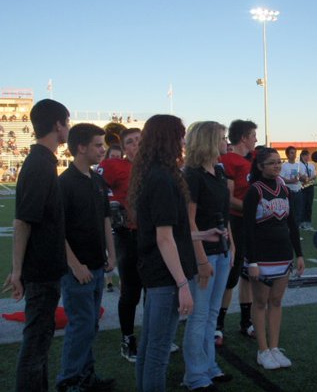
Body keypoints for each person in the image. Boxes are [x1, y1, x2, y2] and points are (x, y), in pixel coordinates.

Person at [2, 99, 70, 392]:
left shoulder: (44, 161)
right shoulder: (40, 164)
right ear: (57, 125)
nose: (68, 127)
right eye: (66, 122)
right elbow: (23, 222)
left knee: (40, 346)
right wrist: (17, 271)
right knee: (35, 346)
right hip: (40, 272)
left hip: (45, 269)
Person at [128, 115, 195, 392]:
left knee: (149, 348)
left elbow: (170, 232)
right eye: (180, 136)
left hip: (158, 271)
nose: (183, 142)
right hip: (165, 276)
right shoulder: (162, 178)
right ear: (169, 139)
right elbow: (164, 237)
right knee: (157, 352)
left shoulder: (153, 173)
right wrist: (182, 284)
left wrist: (202, 235)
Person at [56, 124, 116, 392]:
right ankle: (68, 381)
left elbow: (105, 219)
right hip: (77, 269)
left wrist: (111, 254)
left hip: (96, 265)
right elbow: (56, 230)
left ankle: (85, 375)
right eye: (98, 145)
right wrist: (75, 265)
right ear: (81, 147)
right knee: (80, 325)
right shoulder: (64, 183)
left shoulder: (96, 180)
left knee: (89, 324)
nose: (103, 150)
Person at [182, 121, 235, 390]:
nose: (226, 142)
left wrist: (232, 247)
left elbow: (224, 216)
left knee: (212, 314)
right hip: (203, 253)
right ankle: (195, 375)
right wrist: (202, 260)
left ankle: (209, 367)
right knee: (200, 315)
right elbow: (189, 221)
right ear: (208, 141)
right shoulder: (191, 174)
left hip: (222, 252)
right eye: (222, 138)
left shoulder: (219, 171)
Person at [243, 147, 305, 369]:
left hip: (283, 254)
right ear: (260, 166)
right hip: (261, 256)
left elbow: (291, 224)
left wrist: (299, 254)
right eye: (272, 163)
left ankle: (275, 347)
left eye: (279, 162)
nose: (277, 165)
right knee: (260, 303)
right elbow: (247, 229)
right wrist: (252, 261)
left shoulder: (284, 189)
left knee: (277, 301)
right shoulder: (254, 191)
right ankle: (263, 350)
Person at [97, 127, 143, 362]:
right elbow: (95, 189)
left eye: (139, 140)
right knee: (131, 291)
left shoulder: (155, 166)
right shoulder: (116, 166)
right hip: (129, 235)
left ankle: (151, 336)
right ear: (124, 149)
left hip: (153, 235)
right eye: (131, 142)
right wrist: (113, 208)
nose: (136, 145)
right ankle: (127, 338)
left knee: (155, 289)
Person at [216, 119, 258, 345]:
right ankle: (218, 325)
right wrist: (254, 207)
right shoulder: (229, 161)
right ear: (243, 137)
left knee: (249, 273)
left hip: (250, 223)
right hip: (235, 221)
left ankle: (246, 321)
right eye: (253, 135)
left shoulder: (252, 159)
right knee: (229, 276)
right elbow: (228, 199)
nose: (256, 140)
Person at [102, 144, 123, 293]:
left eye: (118, 157)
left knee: (121, 249)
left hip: (120, 217)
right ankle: (108, 281)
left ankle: (122, 279)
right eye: (113, 156)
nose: (115, 160)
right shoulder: (101, 172)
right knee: (106, 250)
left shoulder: (125, 172)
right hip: (105, 215)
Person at [280, 146, 304, 226]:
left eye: (295, 153)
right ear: (287, 155)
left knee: (298, 213)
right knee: (289, 213)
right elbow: (280, 179)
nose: (294, 155)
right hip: (289, 192)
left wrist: (303, 177)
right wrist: (291, 181)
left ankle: (295, 234)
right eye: (291, 153)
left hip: (298, 191)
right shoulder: (284, 166)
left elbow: (302, 178)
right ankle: (289, 232)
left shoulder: (298, 165)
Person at [298, 149, 317, 231]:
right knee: (302, 205)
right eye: (305, 155)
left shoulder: (311, 165)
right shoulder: (298, 165)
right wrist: (310, 178)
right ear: (301, 156)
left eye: (308, 155)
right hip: (302, 187)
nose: (307, 157)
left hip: (310, 186)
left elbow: (314, 176)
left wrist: (310, 178)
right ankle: (301, 223)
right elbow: (302, 177)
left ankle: (308, 223)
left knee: (309, 206)